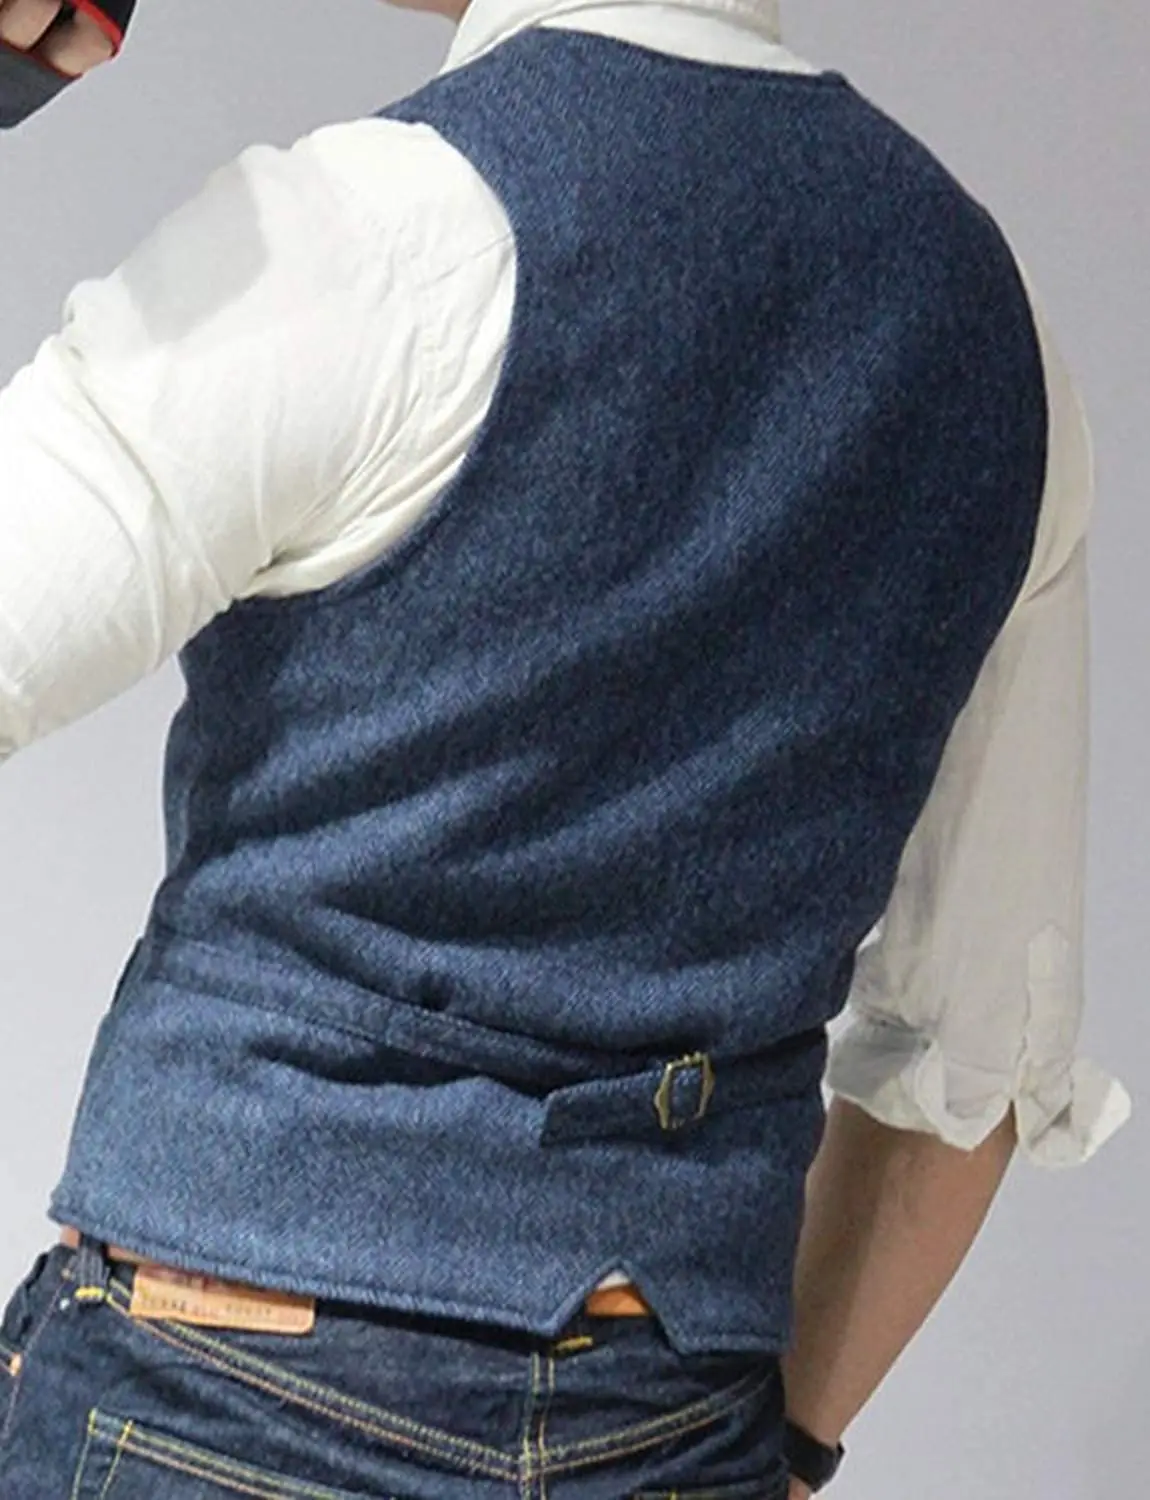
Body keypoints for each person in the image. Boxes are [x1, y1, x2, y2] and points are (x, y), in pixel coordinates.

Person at [0, 0, 1133, 1495]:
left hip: (219, 1395)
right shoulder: (997, 337)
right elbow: (971, 1068)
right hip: (672, 1422)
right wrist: (775, 1457)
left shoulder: (368, 235)